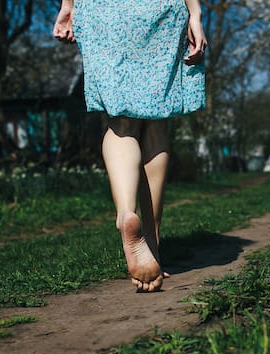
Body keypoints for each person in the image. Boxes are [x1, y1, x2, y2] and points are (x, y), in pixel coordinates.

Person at [52, 0, 207, 292]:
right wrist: (195, 14)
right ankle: (151, 243)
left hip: (102, 11)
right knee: (157, 120)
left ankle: (126, 215)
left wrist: (68, 6)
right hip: (160, 8)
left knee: (121, 121)